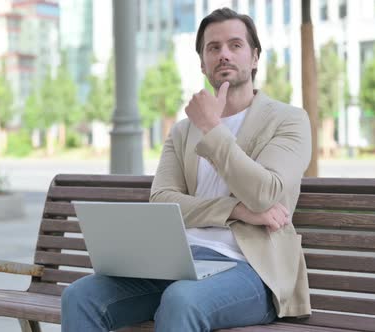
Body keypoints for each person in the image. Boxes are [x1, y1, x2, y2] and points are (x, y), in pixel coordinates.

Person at [61, 7, 311, 332]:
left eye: (235, 45)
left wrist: (212, 128)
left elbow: (265, 194)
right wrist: (236, 210)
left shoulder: (289, 120)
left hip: (253, 269)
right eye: (213, 47)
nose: (224, 54)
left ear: (254, 57)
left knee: (182, 300)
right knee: (80, 295)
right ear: (202, 62)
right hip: (178, 262)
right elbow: (163, 200)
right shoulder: (182, 131)